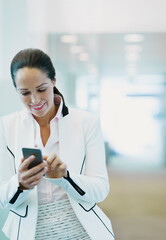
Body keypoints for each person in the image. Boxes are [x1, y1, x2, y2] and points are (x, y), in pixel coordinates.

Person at [0, 48, 115, 240]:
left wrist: (66, 178)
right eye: (25, 93)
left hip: (82, 229)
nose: (35, 100)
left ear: (54, 81)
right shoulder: (5, 127)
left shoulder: (87, 122)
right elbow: (3, 198)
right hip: (30, 232)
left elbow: (100, 190)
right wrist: (20, 184)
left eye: (41, 89)